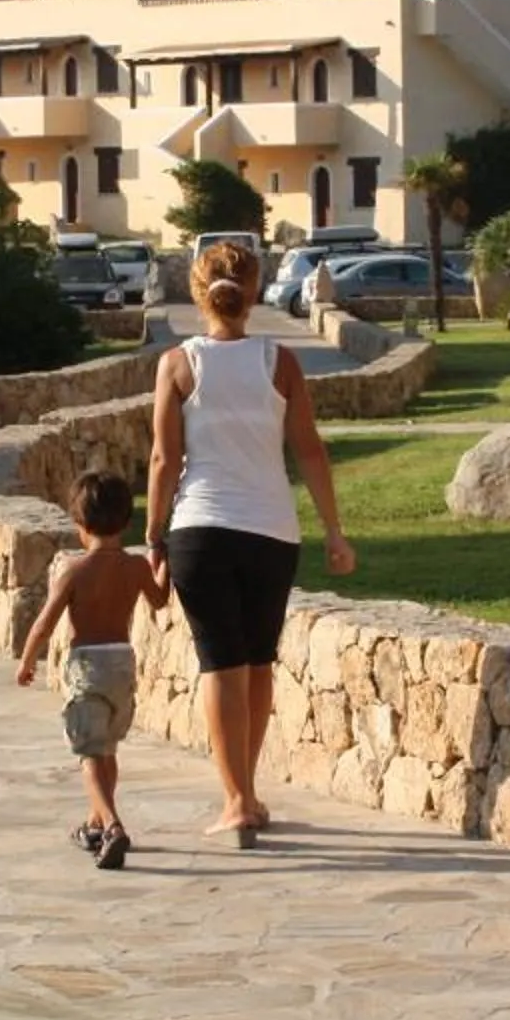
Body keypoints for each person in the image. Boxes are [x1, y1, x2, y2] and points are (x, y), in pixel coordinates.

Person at [149, 240, 354, 849]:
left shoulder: (178, 364)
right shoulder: (278, 361)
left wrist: (153, 536)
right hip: (271, 531)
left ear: (198, 289)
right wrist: (335, 532)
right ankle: (248, 791)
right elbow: (310, 449)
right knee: (257, 661)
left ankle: (236, 798)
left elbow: (164, 458)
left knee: (221, 662)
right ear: (256, 290)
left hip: (200, 532)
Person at [14, 471, 166, 871]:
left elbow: (44, 623)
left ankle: (113, 825)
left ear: (80, 525)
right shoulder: (135, 568)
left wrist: (28, 660)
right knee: (107, 750)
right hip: (122, 666)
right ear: (125, 521)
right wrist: (161, 564)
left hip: (88, 667)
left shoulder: (74, 572)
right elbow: (161, 600)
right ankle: (96, 821)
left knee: (88, 754)